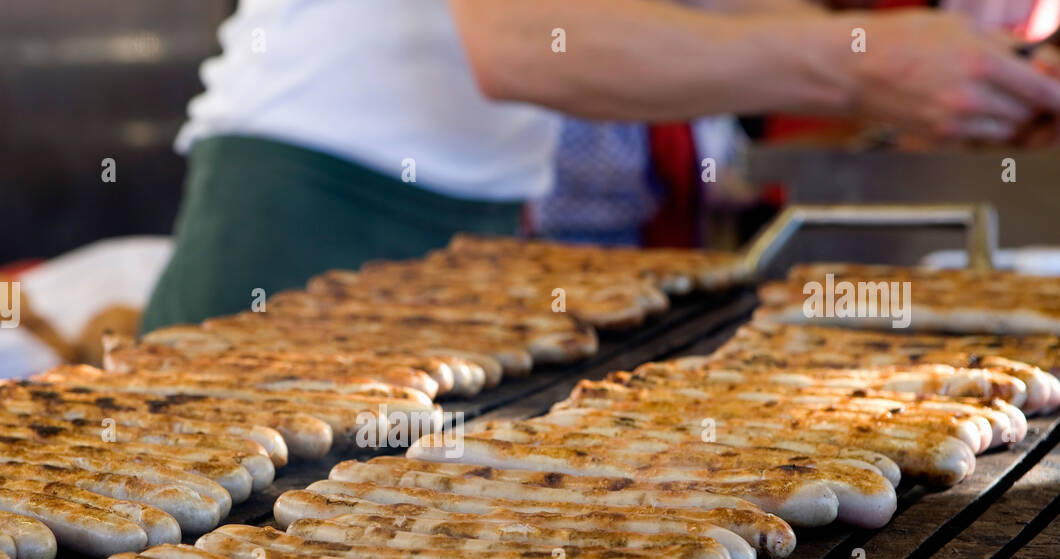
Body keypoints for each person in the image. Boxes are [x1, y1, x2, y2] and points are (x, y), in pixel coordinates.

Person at [142, 0, 1060, 331]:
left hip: (472, 231)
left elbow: (706, 14)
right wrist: (869, 60)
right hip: (309, 208)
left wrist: (959, 73)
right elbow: (520, 42)